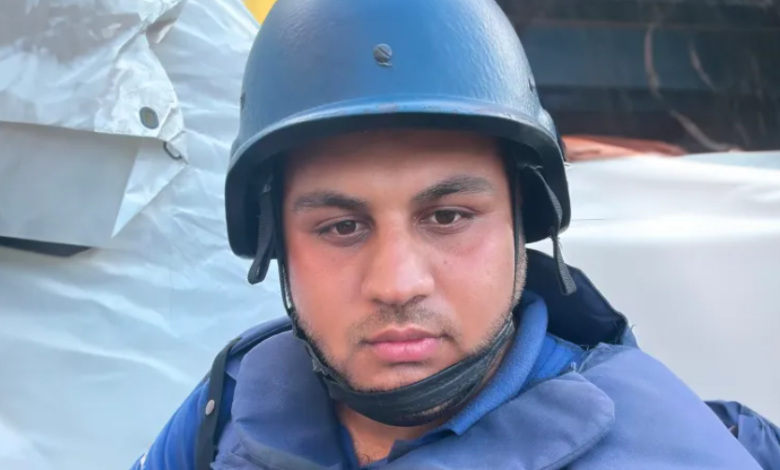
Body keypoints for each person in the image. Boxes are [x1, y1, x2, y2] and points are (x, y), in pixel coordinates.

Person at [131, 0, 766, 468]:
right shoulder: (236, 401)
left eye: (448, 217)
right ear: (274, 243)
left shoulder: (656, 451)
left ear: (523, 219)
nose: (397, 283)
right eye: (341, 226)